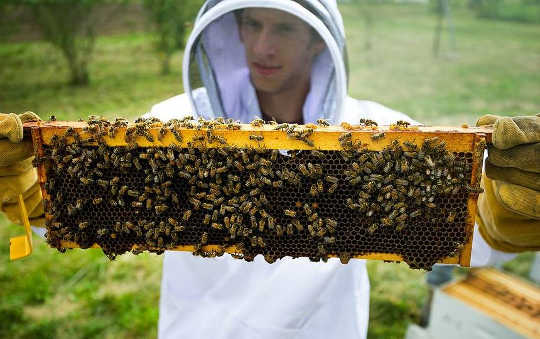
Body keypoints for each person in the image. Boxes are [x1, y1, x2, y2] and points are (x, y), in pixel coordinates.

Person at [0, 1, 538, 338]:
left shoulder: (379, 136)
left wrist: (506, 214)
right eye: (251, 24)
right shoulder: (171, 124)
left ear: (317, 40)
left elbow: (465, 233)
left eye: (283, 27)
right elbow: (87, 209)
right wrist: (35, 195)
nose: (263, 45)